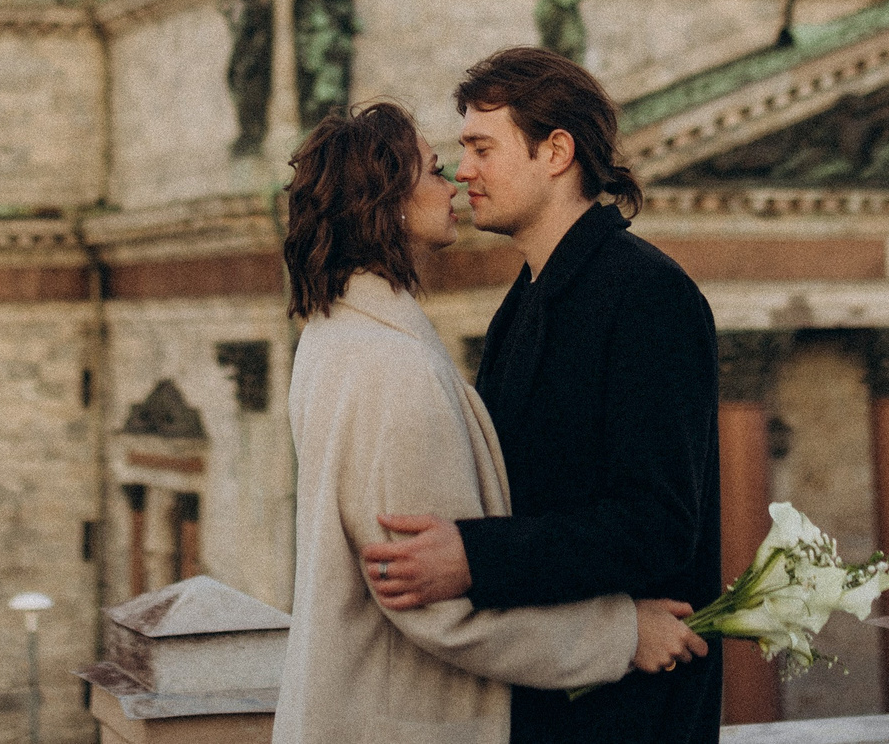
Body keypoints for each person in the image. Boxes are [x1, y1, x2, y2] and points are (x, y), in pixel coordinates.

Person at [275, 101, 704, 744]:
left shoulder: (334, 338)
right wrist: (621, 634)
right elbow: (434, 607)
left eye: (478, 152)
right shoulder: (396, 370)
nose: (457, 181)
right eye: (437, 168)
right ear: (387, 201)